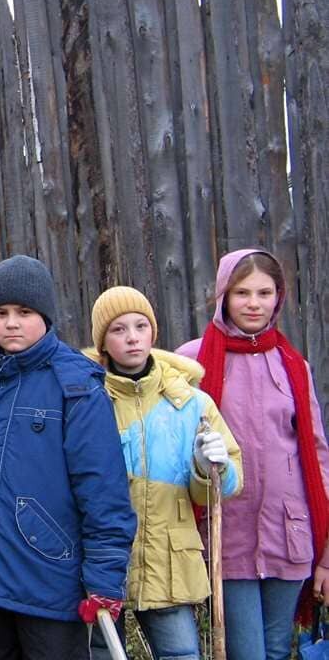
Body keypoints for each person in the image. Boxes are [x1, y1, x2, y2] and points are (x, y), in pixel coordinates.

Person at [0, 255, 136, 660]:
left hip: (48, 581)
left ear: (45, 316)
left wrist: (104, 579)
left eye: (24, 312)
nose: (11, 322)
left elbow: (103, 490)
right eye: (0, 312)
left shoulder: (75, 387)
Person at [176, 249, 329, 660]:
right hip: (229, 534)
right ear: (224, 295)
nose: (254, 303)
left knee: (279, 649)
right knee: (247, 652)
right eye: (242, 292)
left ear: (278, 297)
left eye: (265, 292)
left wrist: (327, 553)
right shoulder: (192, 361)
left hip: (289, 532)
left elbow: (317, 456)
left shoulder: (294, 365)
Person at [87, 286, 241, 660]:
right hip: (105, 559)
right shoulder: (88, 399)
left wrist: (210, 469)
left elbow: (229, 484)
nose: (132, 337)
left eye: (141, 326)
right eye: (118, 329)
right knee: (100, 653)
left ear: (153, 332)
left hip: (169, 559)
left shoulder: (190, 403)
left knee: (180, 653)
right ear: (103, 342)